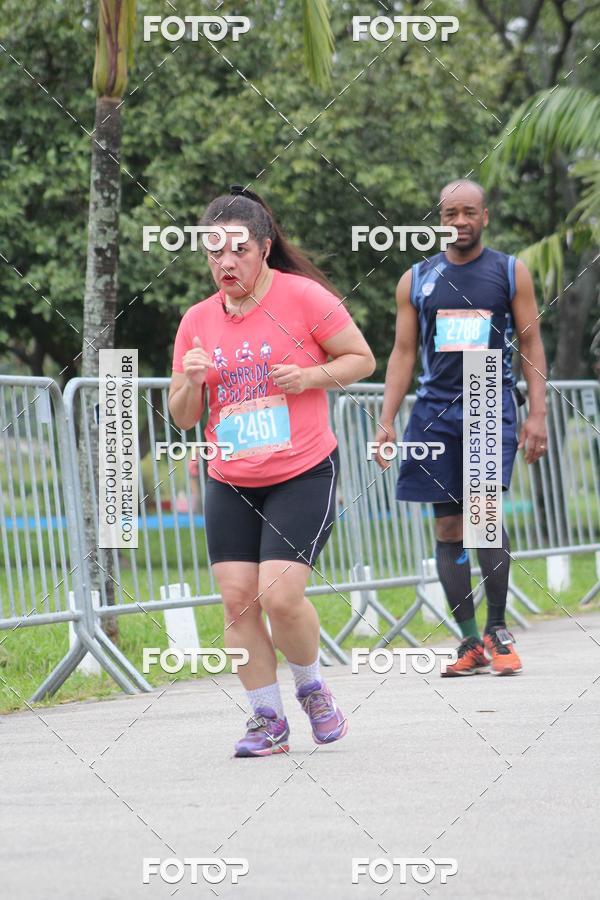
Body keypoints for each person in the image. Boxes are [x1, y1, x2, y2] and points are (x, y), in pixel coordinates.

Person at [169, 186, 375, 755]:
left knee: (279, 597)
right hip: (232, 476)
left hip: (302, 469)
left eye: (237, 250)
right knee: (236, 599)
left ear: (262, 249)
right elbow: (183, 417)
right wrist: (189, 380)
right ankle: (266, 719)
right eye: (214, 251)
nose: (225, 262)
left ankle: (311, 687)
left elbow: (361, 358)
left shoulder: (305, 298)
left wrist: (309, 378)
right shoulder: (197, 320)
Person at [372, 179, 548, 676]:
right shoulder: (417, 279)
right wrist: (386, 421)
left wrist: (538, 414)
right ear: (440, 218)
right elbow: (403, 353)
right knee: (449, 525)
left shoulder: (510, 272)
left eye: (469, 212)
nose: (459, 222)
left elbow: (532, 346)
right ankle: (469, 640)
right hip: (434, 413)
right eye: (450, 213)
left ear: (485, 217)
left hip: (489, 399)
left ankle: (498, 629)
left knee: (483, 518)